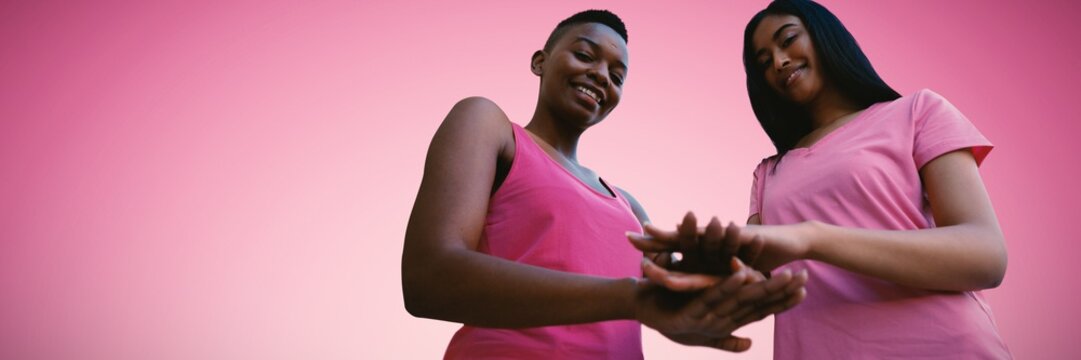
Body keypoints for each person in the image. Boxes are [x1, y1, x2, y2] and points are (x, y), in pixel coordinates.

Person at [401, 9, 807, 359]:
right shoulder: (491, 127)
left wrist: (722, 272)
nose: (600, 76)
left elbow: (669, 301)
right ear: (540, 61)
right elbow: (429, 278)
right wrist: (632, 298)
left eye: (617, 75)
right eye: (584, 55)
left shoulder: (627, 205)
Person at [631, 0, 1012, 358]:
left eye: (788, 40)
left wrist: (811, 237)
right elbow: (755, 283)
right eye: (764, 62)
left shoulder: (916, 112)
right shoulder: (768, 173)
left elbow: (985, 257)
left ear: (825, 35)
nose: (779, 62)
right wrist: (692, 269)